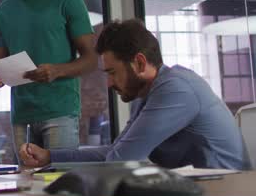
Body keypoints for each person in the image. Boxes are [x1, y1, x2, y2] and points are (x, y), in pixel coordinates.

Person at [20, 19, 250, 170]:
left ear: (139, 62)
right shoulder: (146, 93)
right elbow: (116, 152)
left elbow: (120, 161)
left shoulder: (177, 89)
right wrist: (50, 156)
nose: (109, 83)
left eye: (112, 72)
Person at [0, 0, 97, 158]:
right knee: (26, 186)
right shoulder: (2, 13)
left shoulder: (68, 0)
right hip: (21, 116)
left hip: (60, 111)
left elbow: (91, 59)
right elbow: (0, 66)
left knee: (59, 182)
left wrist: (57, 70)